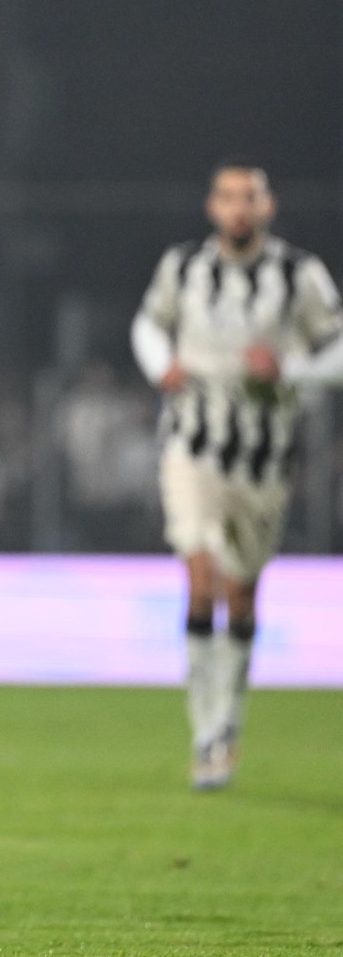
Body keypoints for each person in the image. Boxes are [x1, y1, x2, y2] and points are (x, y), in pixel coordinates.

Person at [130, 163, 343, 789]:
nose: (238, 208)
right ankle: (204, 731)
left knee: (242, 593)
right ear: (212, 206)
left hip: (264, 456)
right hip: (192, 444)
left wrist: (291, 369)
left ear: (268, 205)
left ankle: (229, 721)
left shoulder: (298, 275)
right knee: (199, 574)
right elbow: (148, 322)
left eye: (248, 197)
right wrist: (160, 364)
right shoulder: (185, 268)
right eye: (228, 197)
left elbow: (338, 346)